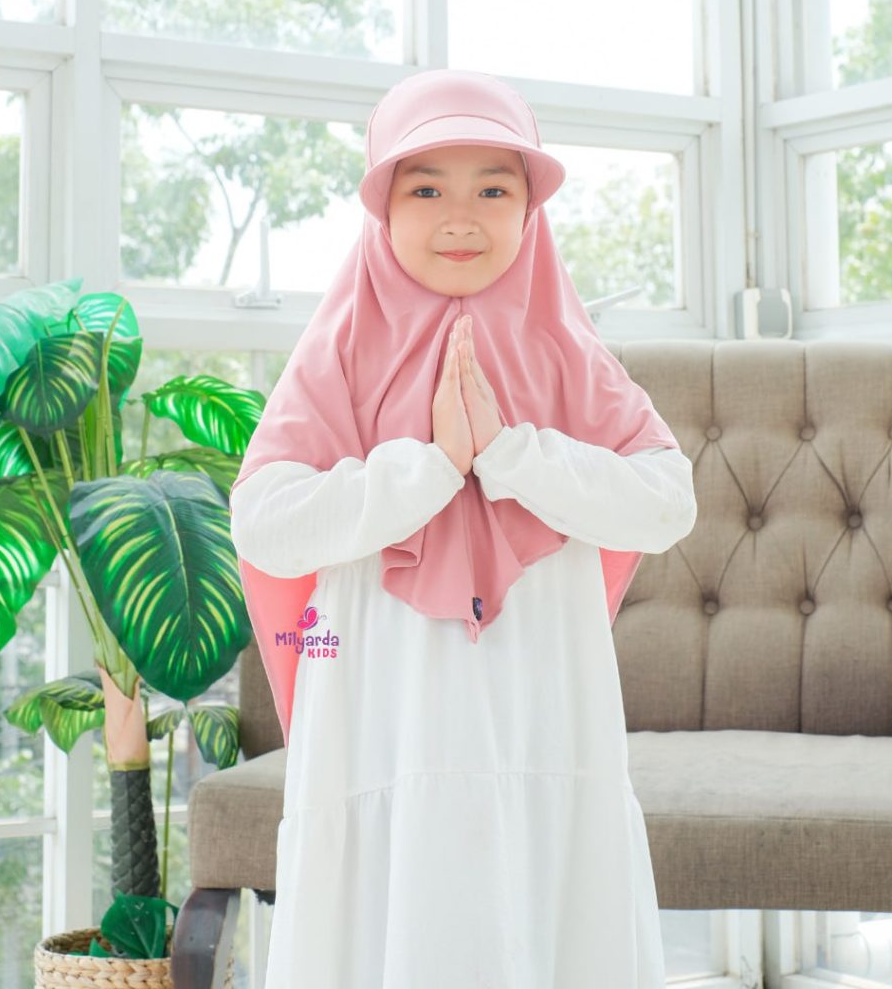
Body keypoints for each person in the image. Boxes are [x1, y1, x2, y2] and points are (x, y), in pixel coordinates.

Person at [229, 68, 697, 989]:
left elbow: (666, 502)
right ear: (382, 206)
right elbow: (265, 524)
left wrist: (512, 453)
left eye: (493, 189)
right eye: (425, 189)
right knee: (394, 908)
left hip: (544, 707)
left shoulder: (566, 351)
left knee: (543, 894)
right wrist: (430, 466)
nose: (460, 218)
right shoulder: (341, 349)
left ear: (530, 210)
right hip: (382, 710)